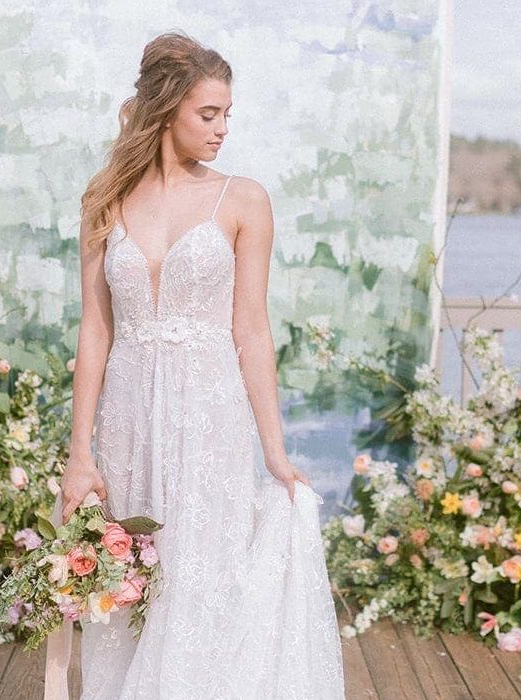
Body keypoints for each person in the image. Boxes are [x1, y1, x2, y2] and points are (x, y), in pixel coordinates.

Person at [53, 30, 346, 700]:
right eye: (207, 114)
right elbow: (94, 332)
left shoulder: (243, 200)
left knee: (203, 575)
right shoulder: (104, 201)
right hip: (128, 415)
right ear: (165, 110)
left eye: (226, 115)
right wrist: (80, 453)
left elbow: (251, 330)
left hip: (210, 414)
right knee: (131, 576)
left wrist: (274, 449)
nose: (220, 130)